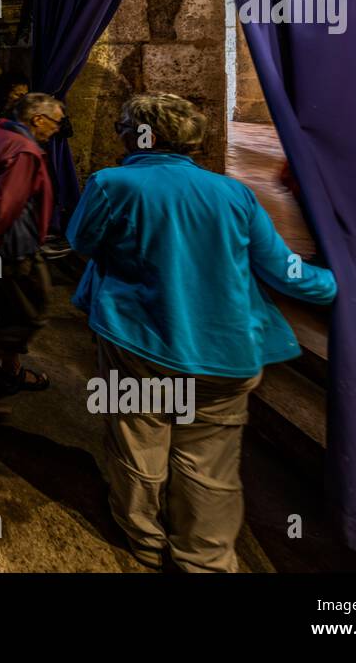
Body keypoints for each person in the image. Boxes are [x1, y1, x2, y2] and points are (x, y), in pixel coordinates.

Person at [67, 92, 338, 573]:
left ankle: (145, 539)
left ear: (138, 135)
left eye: (124, 128)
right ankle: (205, 557)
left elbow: (82, 240)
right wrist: (343, 286)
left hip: (139, 341)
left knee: (138, 440)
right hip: (223, 349)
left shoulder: (112, 184)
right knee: (210, 466)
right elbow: (283, 272)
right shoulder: (233, 194)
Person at [0, 93, 66, 413]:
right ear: (38, 120)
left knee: (7, 309)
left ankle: (8, 373)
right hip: (14, 248)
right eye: (56, 122)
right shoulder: (26, 151)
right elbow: (7, 206)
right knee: (31, 313)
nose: (58, 129)